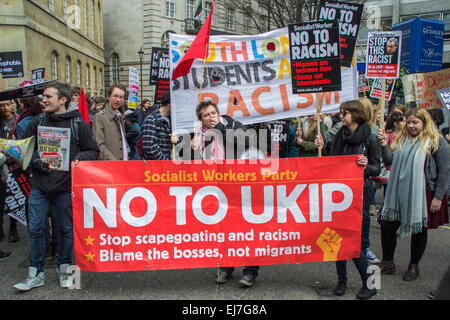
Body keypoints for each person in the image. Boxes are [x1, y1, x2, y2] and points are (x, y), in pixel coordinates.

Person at [14, 82, 99, 291]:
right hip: (39, 188)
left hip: (64, 189)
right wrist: (37, 162)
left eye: (48, 97)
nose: (44, 100)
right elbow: (25, 149)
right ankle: (35, 273)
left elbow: (93, 151)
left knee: (65, 230)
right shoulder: (38, 121)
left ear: (63, 100)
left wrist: (75, 159)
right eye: (44, 96)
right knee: (35, 230)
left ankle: (64, 269)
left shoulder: (78, 124)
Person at [315, 100, 380, 299]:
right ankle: (341, 281)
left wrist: (365, 166)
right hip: (338, 196)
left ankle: (372, 283)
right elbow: (331, 162)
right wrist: (322, 148)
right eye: (341, 113)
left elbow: (377, 168)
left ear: (356, 114)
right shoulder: (338, 136)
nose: (341, 116)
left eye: (344, 113)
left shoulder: (370, 138)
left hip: (359, 195)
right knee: (336, 240)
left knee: (357, 244)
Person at [189, 101, 257, 287]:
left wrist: (219, 128)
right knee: (224, 229)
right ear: (200, 119)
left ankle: (250, 270)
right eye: (206, 115)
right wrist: (191, 149)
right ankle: (227, 266)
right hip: (215, 189)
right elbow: (192, 165)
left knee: (246, 229)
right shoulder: (198, 135)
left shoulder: (233, 125)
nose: (211, 117)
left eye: (213, 113)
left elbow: (245, 143)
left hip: (239, 186)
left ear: (218, 113)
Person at [377, 108, 449, 281]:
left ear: (425, 123)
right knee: (387, 224)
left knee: (419, 229)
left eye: (415, 122)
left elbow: (445, 171)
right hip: (398, 191)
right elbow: (389, 161)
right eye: (408, 122)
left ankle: (414, 266)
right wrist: (383, 144)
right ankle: (388, 262)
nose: (411, 126)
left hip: (423, 192)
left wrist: (438, 197)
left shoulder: (436, 141)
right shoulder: (403, 139)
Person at [0, 99, 20, 242]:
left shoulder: (19, 120)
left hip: (14, 163)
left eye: (7, 104)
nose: (5, 108)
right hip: (1, 163)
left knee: (14, 197)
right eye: (1, 105)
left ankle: (13, 227)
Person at [93, 84, 129, 160]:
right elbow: (99, 144)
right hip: (110, 166)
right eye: (115, 96)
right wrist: (114, 161)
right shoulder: (100, 117)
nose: (118, 100)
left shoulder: (121, 116)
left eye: (121, 97)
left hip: (123, 163)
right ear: (109, 97)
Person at [141, 91, 175, 160]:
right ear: (170, 104)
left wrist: (177, 139)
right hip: (154, 167)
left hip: (167, 167)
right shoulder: (151, 119)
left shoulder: (172, 120)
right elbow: (149, 146)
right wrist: (165, 162)